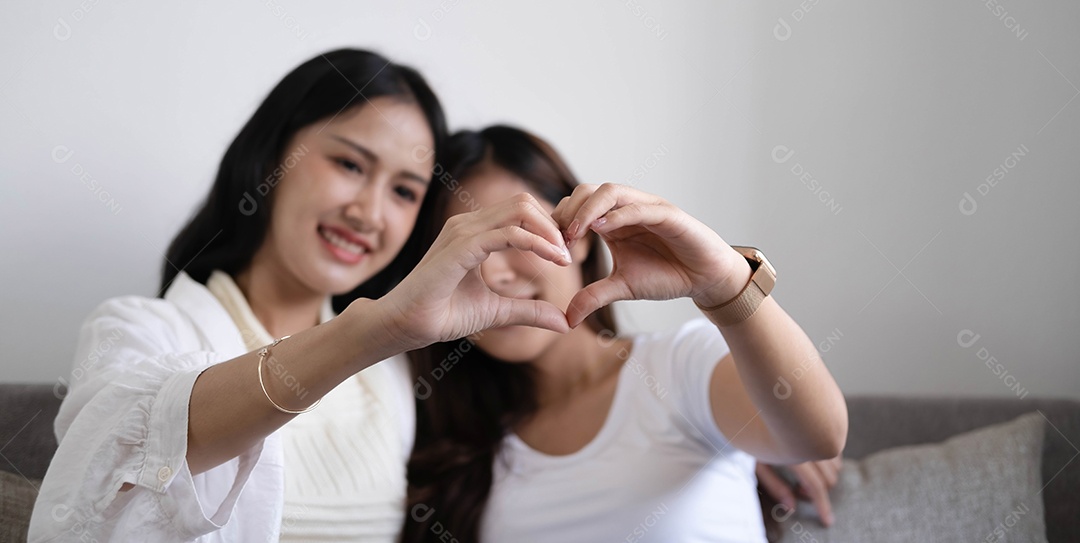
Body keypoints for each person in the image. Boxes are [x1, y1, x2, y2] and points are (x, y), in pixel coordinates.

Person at [28, 49, 577, 543]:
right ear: (272, 157)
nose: (369, 213)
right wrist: (375, 331)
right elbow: (124, 468)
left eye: (404, 191)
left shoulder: (395, 376)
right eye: (349, 164)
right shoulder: (139, 329)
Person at [403, 126, 848, 542]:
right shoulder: (451, 436)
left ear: (574, 236)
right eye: (466, 253)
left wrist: (724, 283)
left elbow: (819, 436)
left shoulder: (681, 364)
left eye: (512, 235)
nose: (494, 273)